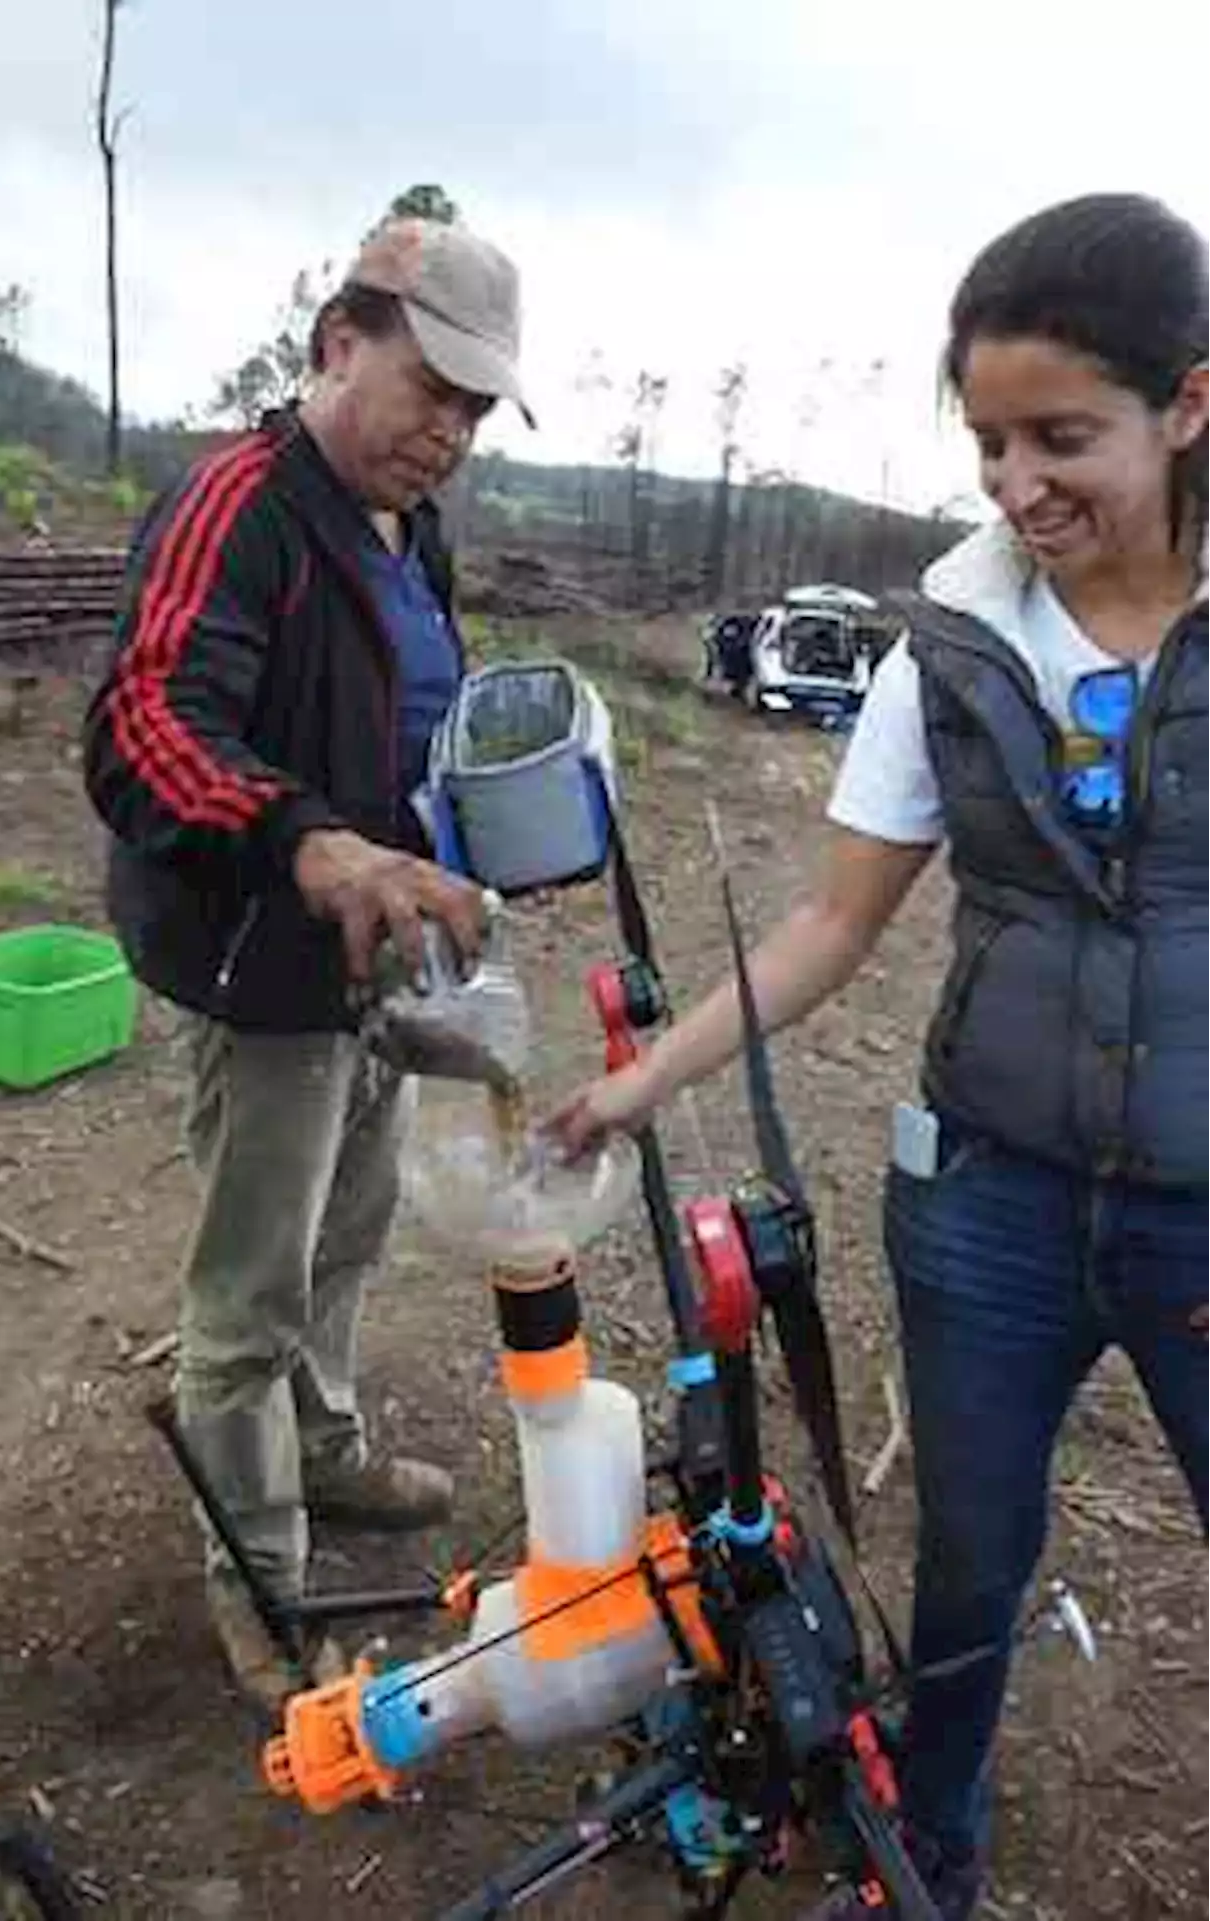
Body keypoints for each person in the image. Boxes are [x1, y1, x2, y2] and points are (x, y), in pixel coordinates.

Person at [551, 192, 1210, 1919]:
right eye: (990, 443)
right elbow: (831, 928)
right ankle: (932, 1854)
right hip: (989, 1206)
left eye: (1063, 437)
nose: (1015, 485)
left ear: (1190, 405)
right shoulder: (953, 648)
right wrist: (641, 1082)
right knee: (972, 1568)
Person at [83, 216, 531, 1709]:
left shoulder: (414, 525)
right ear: (340, 342)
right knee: (250, 1293)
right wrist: (312, 842)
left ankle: (324, 1457)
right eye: (432, 393)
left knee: (352, 1227)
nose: (449, 434)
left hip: (373, 952)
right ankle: (259, 1577)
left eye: (474, 410)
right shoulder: (242, 504)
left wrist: (455, 829)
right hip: (261, 959)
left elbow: (405, 705)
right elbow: (144, 723)